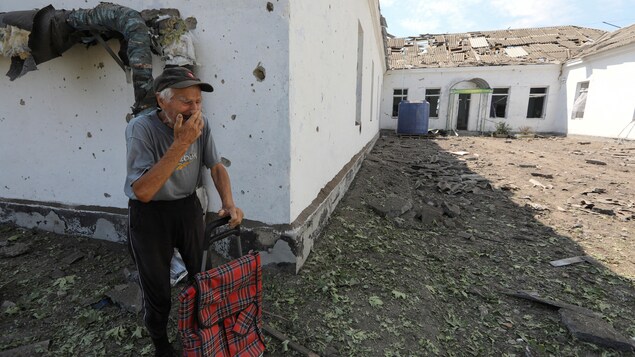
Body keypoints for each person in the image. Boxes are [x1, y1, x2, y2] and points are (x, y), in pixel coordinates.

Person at [124, 67, 244, 357]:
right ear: (161, 101)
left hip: (187, 208)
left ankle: (205, 327)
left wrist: (228, 202)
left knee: (203, 276)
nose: (194, 109)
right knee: (159, 292)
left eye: (198, 101)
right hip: (150, 215)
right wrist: (181, 143)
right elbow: (143, 191)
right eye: (185, 101)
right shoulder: (141, 129)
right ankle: (161, 343)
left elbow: (215, 166)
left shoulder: (201, 123)